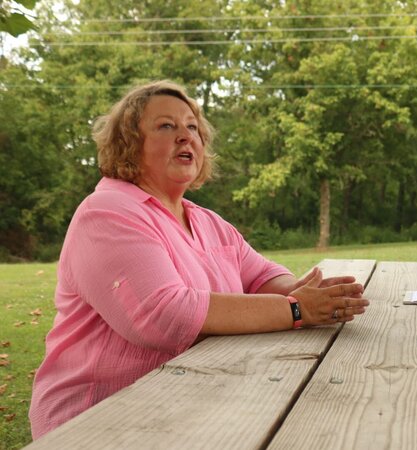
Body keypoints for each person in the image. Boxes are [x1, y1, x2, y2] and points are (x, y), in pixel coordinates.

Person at [28, 80, 369, 439]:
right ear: (129, 144)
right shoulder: (107, 212)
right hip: (98, 421)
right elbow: (162, 316)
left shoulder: (206, 221)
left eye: (192, 127)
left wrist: (310, 291)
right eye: (166, 126)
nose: (185, 136)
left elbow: (261, 276)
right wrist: (297, 310)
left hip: (190, 403)